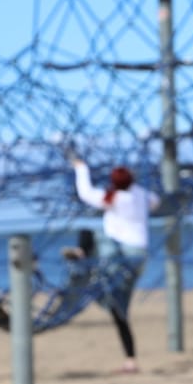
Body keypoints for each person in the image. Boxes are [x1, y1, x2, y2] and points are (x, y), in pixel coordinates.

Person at [71, 155, 160, 372]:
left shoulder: (114, 198)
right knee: (119, 306)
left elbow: (85, 193)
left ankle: (83, 257)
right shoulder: (140, 195)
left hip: (118, 252)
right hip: (139, 255)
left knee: (88, 232)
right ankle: (130, 360)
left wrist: (81, 168)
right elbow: (155, 202)